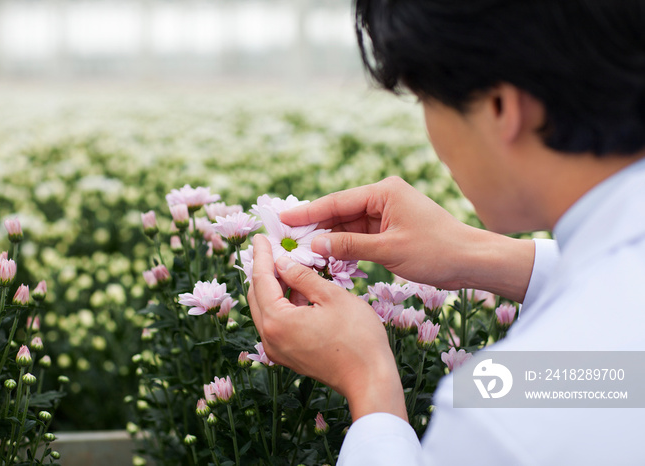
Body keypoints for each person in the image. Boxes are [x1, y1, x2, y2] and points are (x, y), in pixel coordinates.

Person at [248, 1, 645, 464]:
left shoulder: (509, 411)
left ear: (500, 107)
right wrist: (476, 253)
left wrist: (371, 383)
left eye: (426, 101)